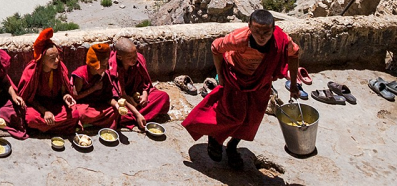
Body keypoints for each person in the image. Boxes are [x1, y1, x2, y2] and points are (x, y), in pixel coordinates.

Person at [182, 9, 302, 170]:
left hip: (261, 82)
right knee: (233, 116)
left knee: (252, 120)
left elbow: (294, 55)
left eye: (266, 32)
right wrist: (220, 76)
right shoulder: (238, 39)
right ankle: (215, 138)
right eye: (257, 31)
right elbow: (216, 47)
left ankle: (232, 146)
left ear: (273, 30)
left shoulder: (282, 41)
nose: (261, 36)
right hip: (236, 78)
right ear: (249, 27)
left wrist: (293, 85)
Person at [16, 28, 78, 136]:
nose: (57, 60)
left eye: (58, 56)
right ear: (43, 60)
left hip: (55, 104)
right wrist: (44, 111)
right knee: (31, 119)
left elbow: (64, 91)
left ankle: (44, 128)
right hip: (38, 106)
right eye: (52, 58)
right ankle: (55, 127)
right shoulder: (32, 72)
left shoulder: (60, 68)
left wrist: (66, 97)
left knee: (75, 114)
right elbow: (28, 98)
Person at [108, 37, 170, 129]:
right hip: (123, 101)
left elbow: (145, 83)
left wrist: (145, 95)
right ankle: (139, 117)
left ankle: (135, 117)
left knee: (163, 96)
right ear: (120, 57)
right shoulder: (113, 67)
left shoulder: (139, 60)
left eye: (135, 55)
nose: (134, 59)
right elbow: (119, 95)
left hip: (137, 96)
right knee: (116, 113)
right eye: (130, 57)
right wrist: (137, 114)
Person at [70, 42, 120, 130]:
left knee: (114, 111)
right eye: (103, 66)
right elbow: (75, 96)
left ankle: (90, 123)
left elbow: (108, 97)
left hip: (98, 105)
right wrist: (94, 88)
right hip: (84, 106)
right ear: (93, 65)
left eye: (106, 65)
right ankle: (92, 123)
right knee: (80, 113)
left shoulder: (104, 75)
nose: (105, 68)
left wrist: (116, 105)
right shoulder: (81, 74)